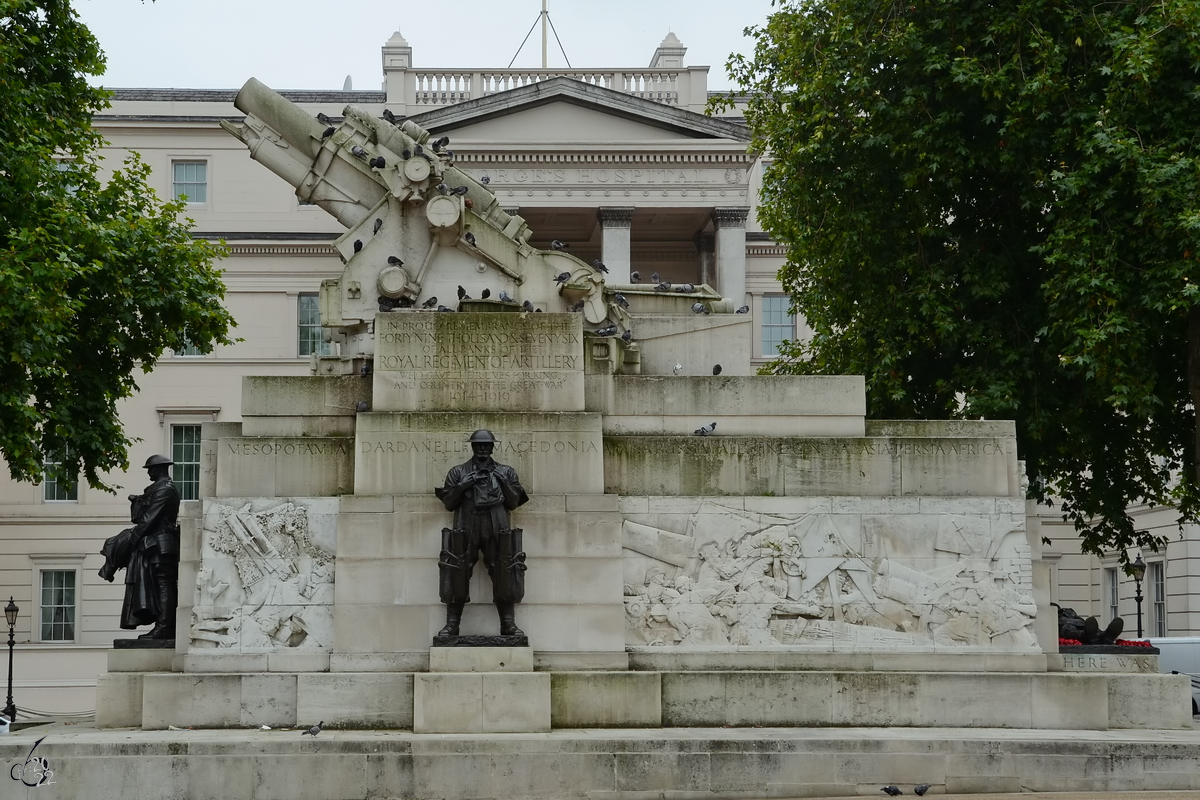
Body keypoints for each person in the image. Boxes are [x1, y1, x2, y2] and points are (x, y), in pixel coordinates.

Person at [434, 430, 529, 637]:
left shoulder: (507, 471)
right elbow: (449, 504)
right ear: (472, 447)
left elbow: (514, 503)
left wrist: (502, 481)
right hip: (467, 524)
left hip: (497, 524)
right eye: (478, 445)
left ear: (493, 447)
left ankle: (508, 624)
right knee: (457, 570)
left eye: (486, 445)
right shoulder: (458, 472)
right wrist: (463, 485)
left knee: (504, 570)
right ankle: (452, 625)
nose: (483, 449)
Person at [99, 454, 181, 639]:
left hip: (160, 544)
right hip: (154, 543)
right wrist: (138, 501)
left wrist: (131, 541)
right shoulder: (156, 489)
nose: (149, 472)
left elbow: (147, 520)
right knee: (159, 584)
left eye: (151, 469)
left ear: (160, 469)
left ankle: (165, 627)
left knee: (163, 585)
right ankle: (163, 626)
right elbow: (138, 518)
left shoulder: (165, 490)